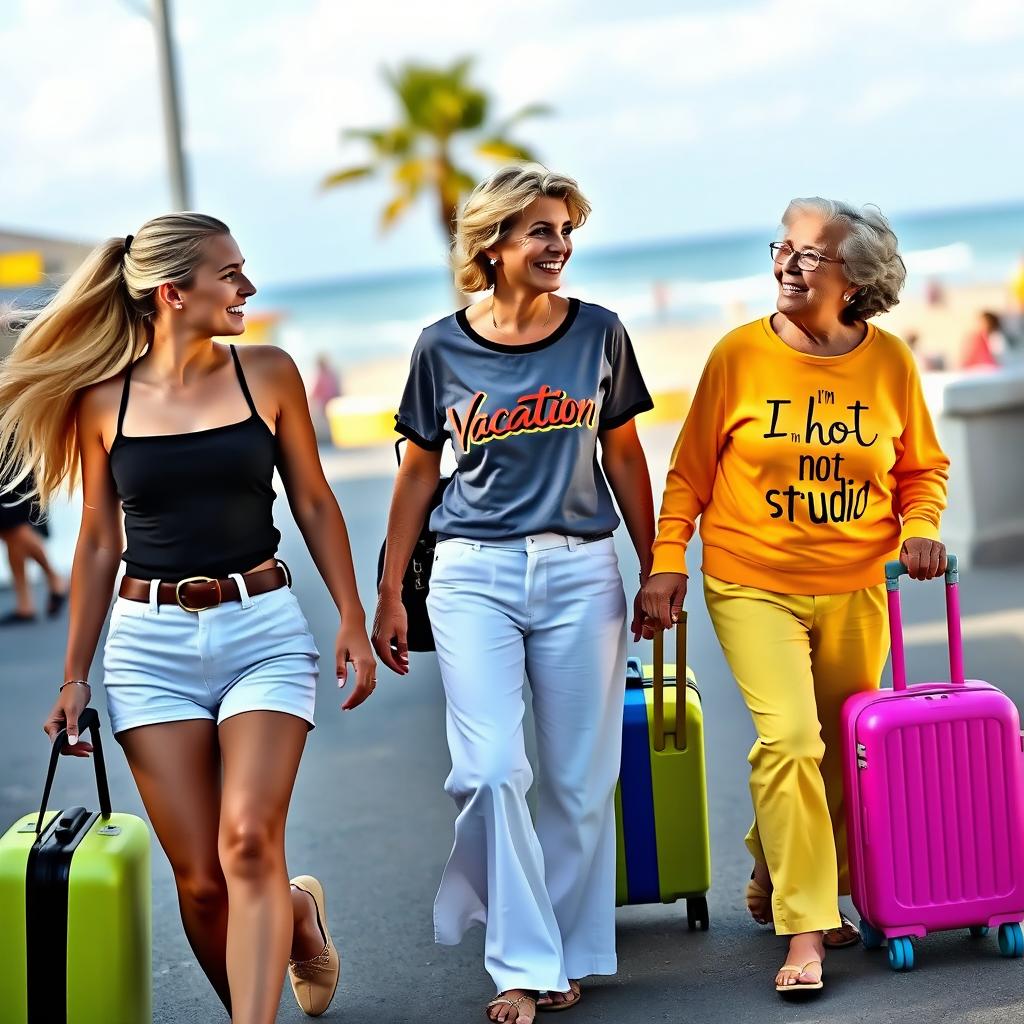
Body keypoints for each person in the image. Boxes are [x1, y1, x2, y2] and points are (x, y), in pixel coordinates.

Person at [0, 214, 377, 1023]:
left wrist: (351, 612)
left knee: (246, 842)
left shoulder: (267, 374)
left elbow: (312, 499)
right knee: (202, 880)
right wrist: (74, 676)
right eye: (231, 275)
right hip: (149, 648)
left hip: (262, 632)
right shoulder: (102, 401)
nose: (248, 287)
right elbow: (99, 543)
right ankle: (296, 918)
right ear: (174, 293)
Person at [643, 198, 949, 996]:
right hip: (751, 581)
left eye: (811, 253)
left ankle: (771, 857)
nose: (788, 263)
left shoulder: (888, 364)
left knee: (840, 756)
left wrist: (920, 525)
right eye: (783, 246)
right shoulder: (737, 356)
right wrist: (668, 559)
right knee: (789, 742)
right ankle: (806, 927)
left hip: (856, 583)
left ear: (856, 278)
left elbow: (922, 469)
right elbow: (688, 473)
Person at [373, 165, 656, 1024]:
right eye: (540, 230)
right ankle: (520, 962)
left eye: (566, 230)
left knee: (578, 781)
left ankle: (560, 955)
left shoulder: (600, 333)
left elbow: (625, 458)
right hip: (472, 574)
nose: (559, 246)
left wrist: (659, 566)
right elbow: (418, 471)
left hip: (581, 570)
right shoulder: (440, 346)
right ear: (491, 244)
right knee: (490, 768)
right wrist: (389, 591)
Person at [0, 459, 66, 624]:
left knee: (12, 523)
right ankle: (25, 604)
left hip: (11, 452)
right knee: (9, 529)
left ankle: (55, 578)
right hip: (11, 452)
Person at [308, 353, 342, 444]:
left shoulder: (321, 375)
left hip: (325, 402)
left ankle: (320, 436)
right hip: (333, 399)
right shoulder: (332, 373)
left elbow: (314, 391)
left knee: (315, 413)